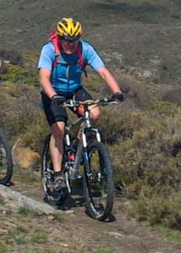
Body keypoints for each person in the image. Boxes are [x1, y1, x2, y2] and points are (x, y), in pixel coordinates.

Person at [37, 17, 124, 200]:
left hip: (75, 90)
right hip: (52, 92)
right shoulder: (50, 49)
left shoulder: (85, 49)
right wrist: (53, 96)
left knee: (95, 113)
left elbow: (103, 71)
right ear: (60, 38)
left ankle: (76, 146)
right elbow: (43, 77)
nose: (70, 44)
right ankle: (59, 175)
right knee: (59, 129)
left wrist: (116, 92)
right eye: (67, 40)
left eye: (74, 40)